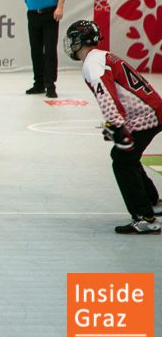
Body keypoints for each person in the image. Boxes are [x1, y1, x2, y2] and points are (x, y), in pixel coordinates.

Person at [64, 20, 162, 234]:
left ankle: (145, 218)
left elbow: (105, 94)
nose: (70, 44)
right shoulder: (102, 56)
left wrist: (116, 125)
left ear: (80, 41)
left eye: (72, 40)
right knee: (128, 157)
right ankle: (152, 201)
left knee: (122, 162)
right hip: (151, 110)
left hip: (145, 115)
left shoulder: (92, 63)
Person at [19, 0, 66, 98]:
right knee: (36, 51)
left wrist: (59, 7)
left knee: (50, 50)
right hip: (33, 16)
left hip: (49, 14)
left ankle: (50, 85)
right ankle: (38, 83)